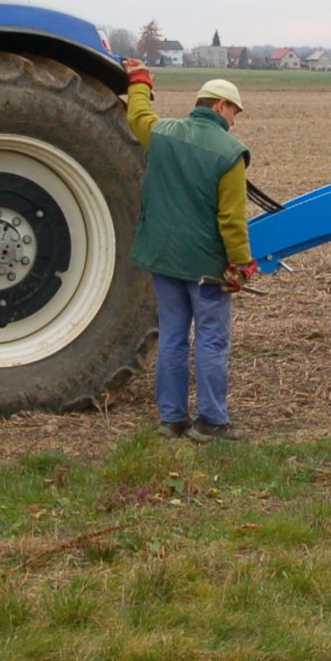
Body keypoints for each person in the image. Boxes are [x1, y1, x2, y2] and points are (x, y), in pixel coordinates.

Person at [120, 64, 257, 441]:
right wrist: (240, 265)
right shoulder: (230, 153)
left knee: (172, 338)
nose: (234, 121)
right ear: (219, 106)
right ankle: (211, 421)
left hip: (164, 260)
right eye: (234, 112)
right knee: (211, 341)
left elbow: (137, 114)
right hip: (206, 267)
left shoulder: (162, 133)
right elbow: (232, 219)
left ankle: (172, 419)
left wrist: (139, 83)